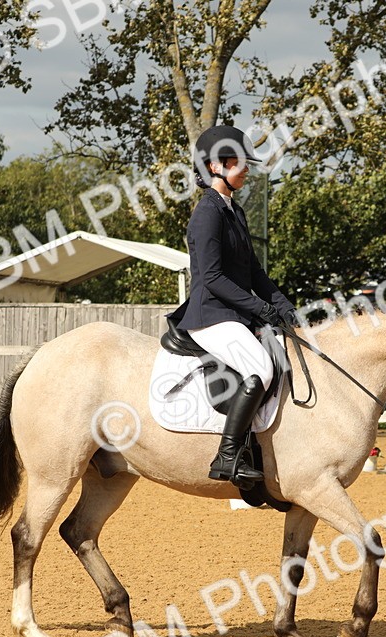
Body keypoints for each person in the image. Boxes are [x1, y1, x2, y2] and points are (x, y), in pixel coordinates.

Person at [168, 125, 299, 487]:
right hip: (210, 315)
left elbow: (254, 272)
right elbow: (211, 278)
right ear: (215, 166)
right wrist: (260, 309)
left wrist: (285, 306)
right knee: (261, 369)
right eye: (239, 162)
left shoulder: (234, 212)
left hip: (234, 314)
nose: (246, 169)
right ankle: (227, 456)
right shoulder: (207, 213)